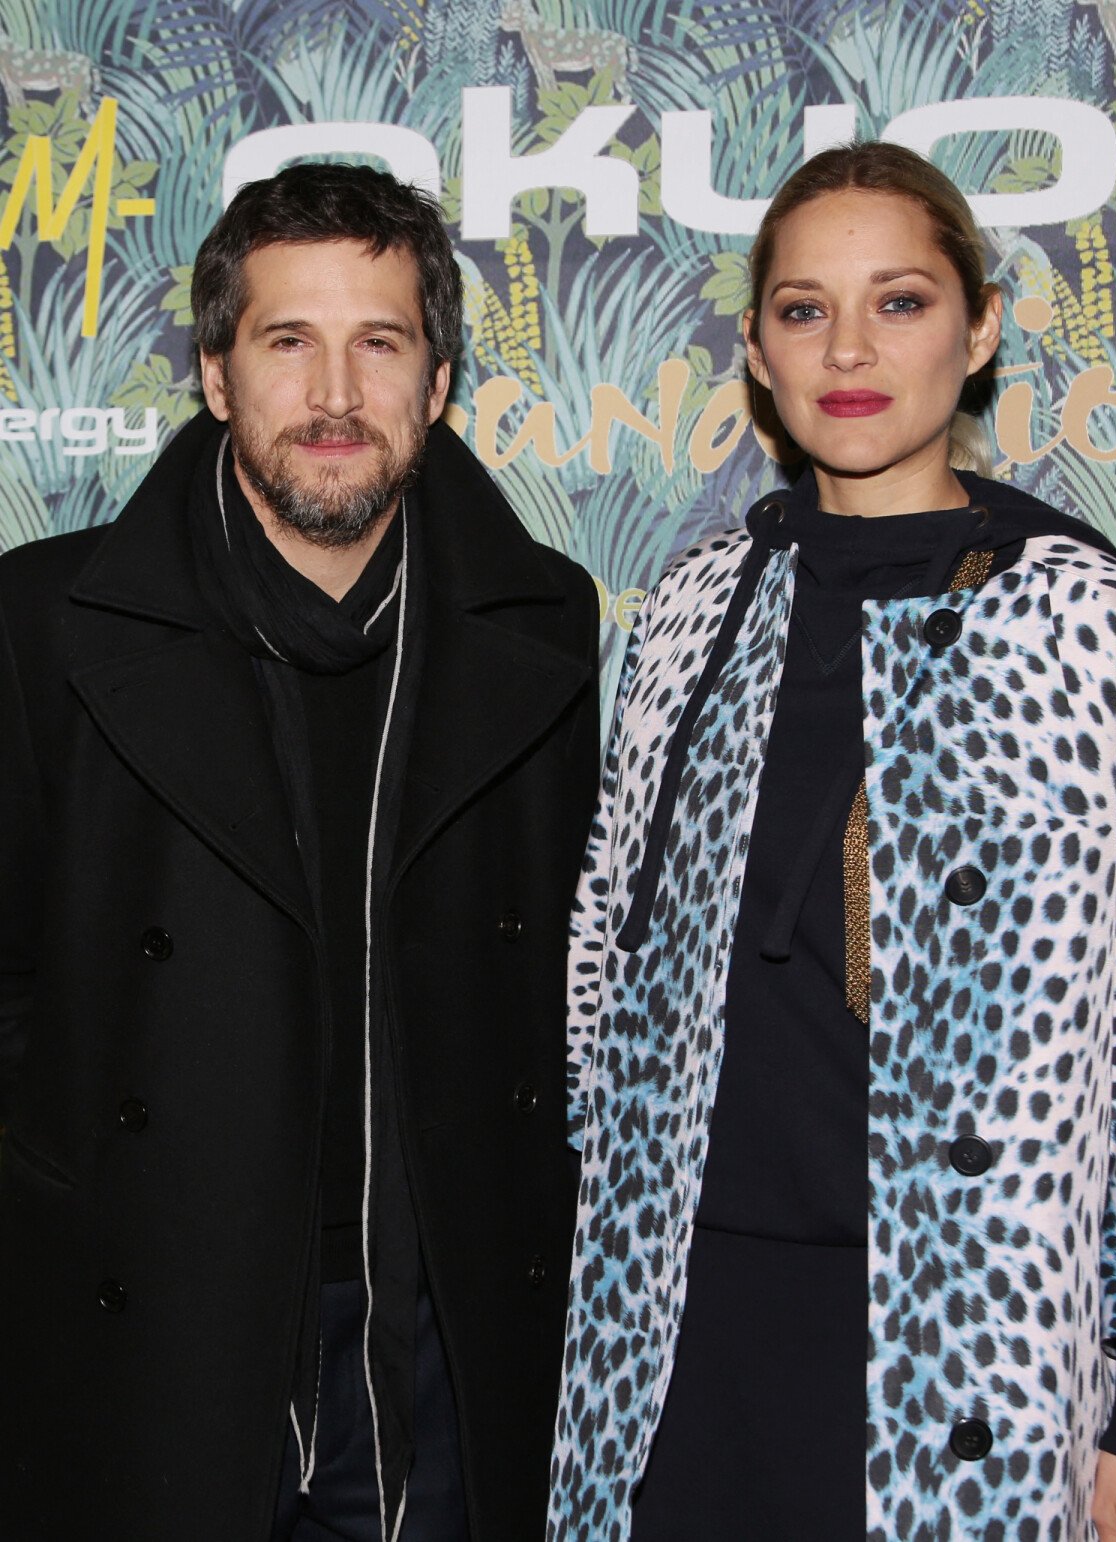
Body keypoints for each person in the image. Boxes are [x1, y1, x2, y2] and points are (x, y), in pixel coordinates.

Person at [546, 142, 1116, 1541]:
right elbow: (607, 950)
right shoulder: (693, 607)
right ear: (756, 349)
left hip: (969, 1352)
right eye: (803, 309)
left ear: (981, 331)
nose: (848, 347)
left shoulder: (1105, 633)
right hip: (678, 1332)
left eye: (900, 302)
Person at [0, 162, 598, 1542]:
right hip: (153, 1315)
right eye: (288, 340)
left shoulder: (542, 622)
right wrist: (92, 1161)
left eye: (379, 342)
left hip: (438, 1333)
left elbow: (559, 974)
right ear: (215, 373)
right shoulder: (50, 623)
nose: (335, 393)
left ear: (437, 384)